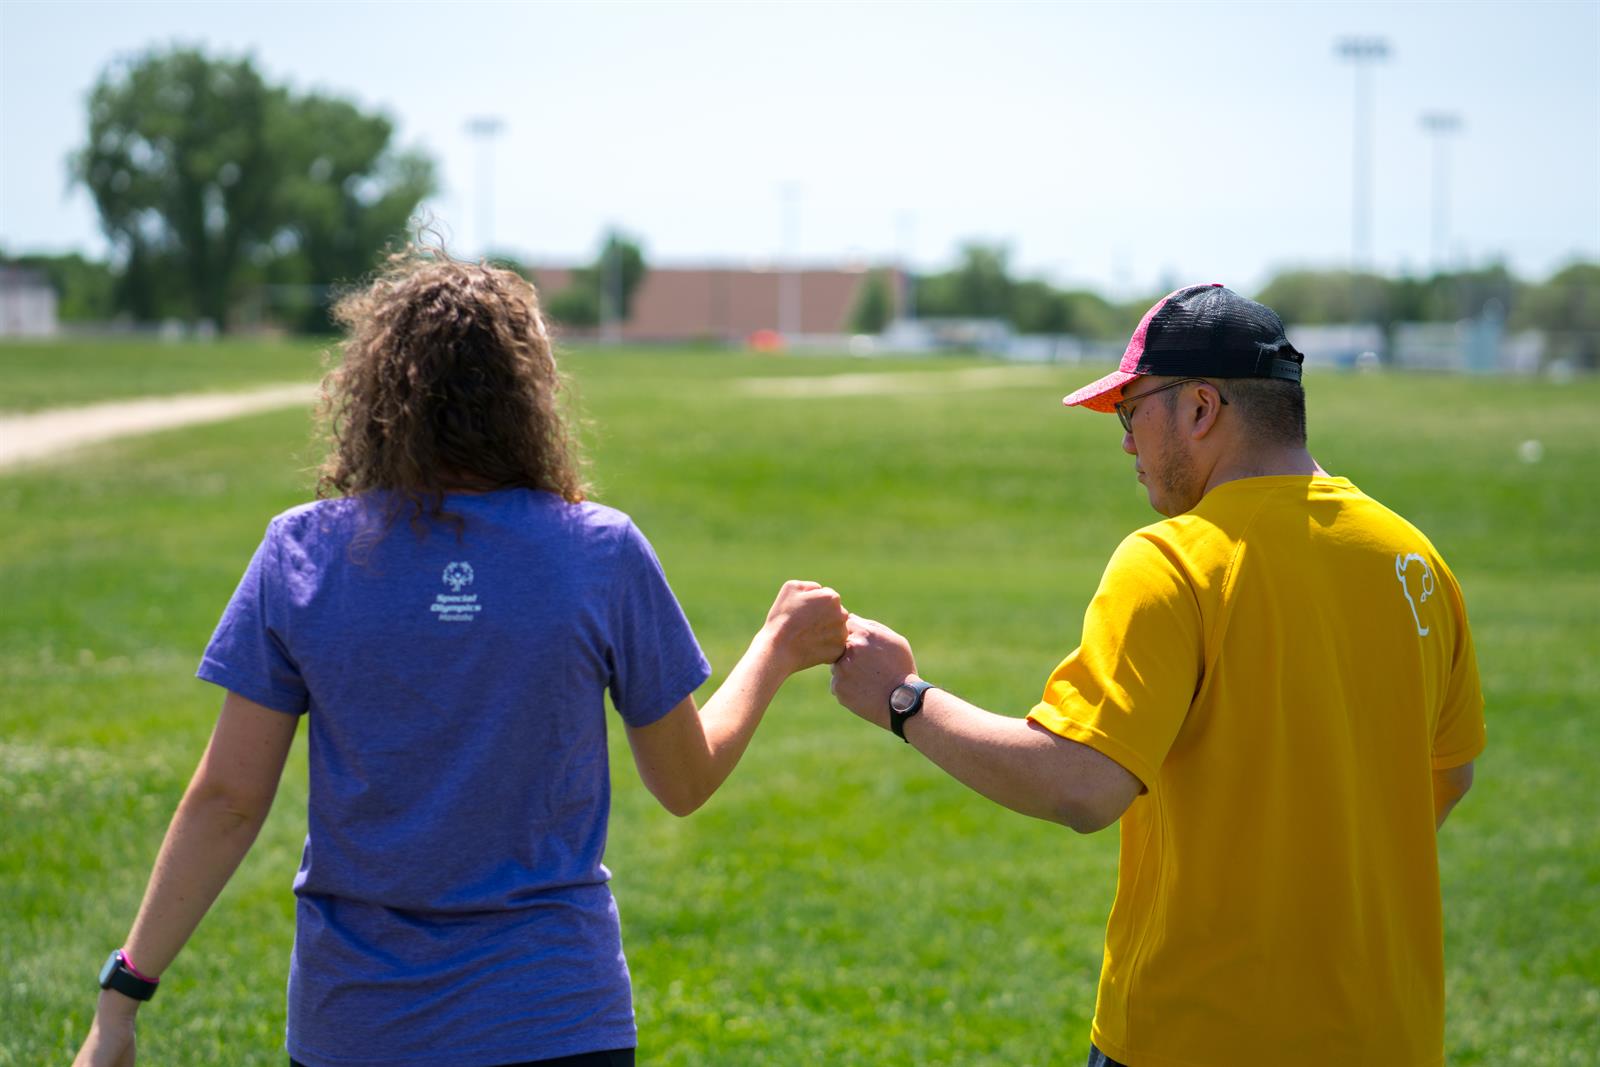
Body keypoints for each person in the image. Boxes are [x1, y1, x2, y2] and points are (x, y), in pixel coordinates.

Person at [73, 249, 848, 1067]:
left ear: (375, 392)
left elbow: (228, 800)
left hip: (356, 1026)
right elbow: (685, 781)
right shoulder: (598, 551)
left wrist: (122, 998)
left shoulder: (303, 551)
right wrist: (775, 647)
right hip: (555, 1020)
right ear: (529, 395)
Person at [829, 283, 1485, 1067]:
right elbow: (1449, 774)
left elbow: (1081, 784)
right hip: (1389, 1038)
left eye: (1132, 409)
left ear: (1201, 408)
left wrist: (905, 700)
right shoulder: (1415, 561)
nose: (1125, 440)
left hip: (1198, 1035)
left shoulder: (1172, 560)